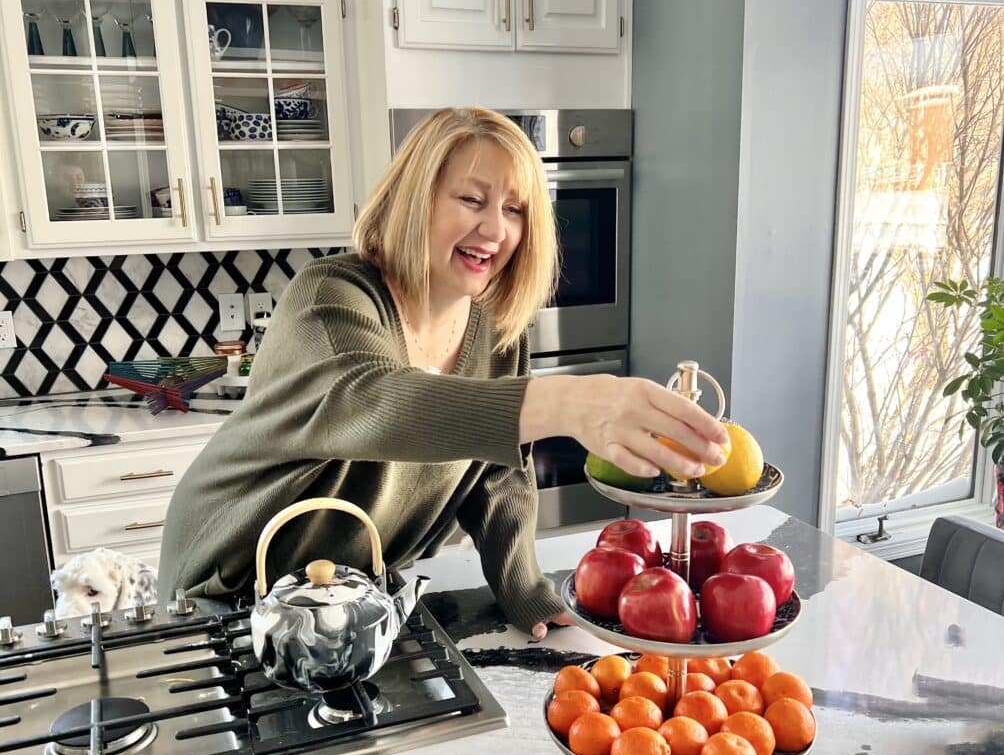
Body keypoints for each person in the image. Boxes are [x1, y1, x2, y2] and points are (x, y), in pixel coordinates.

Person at [158, 107, 728, 638]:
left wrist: (522, 588)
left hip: (352, 596)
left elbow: (496, 475)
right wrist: (567, 403)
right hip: (229, 587)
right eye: (472, 200)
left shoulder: (494, 325)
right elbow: (371, 401)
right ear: (416, 200)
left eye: (515, 209)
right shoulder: (330, 297)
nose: (495, 230)